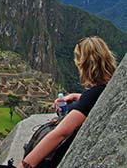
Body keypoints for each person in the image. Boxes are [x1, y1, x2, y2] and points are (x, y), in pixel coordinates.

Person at [17, 36, 116, 168]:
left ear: (83, 63)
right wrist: (77, 96)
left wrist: (25, 165)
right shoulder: (110, 87)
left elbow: (61, 133)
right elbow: (96, 101)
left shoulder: (92, 94)